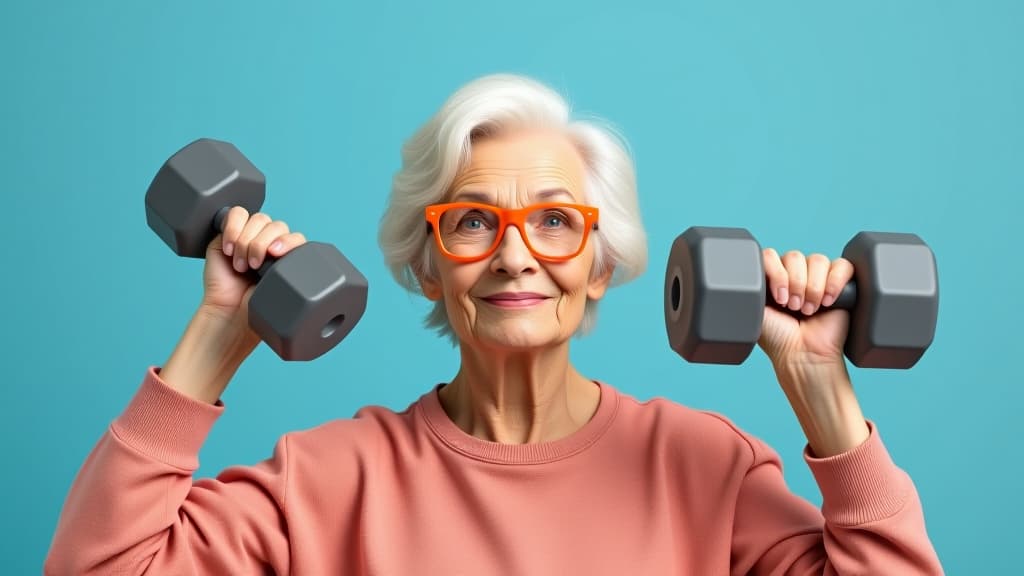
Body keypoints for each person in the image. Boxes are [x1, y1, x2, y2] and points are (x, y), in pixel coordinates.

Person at [45, 74, 943, 575]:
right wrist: (218, 330)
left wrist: (822, 390)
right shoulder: (323, 484)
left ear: (601, 263)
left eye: (556, 221)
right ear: (428, 265)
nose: (516, 257)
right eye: (473, 222)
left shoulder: (704, 468)